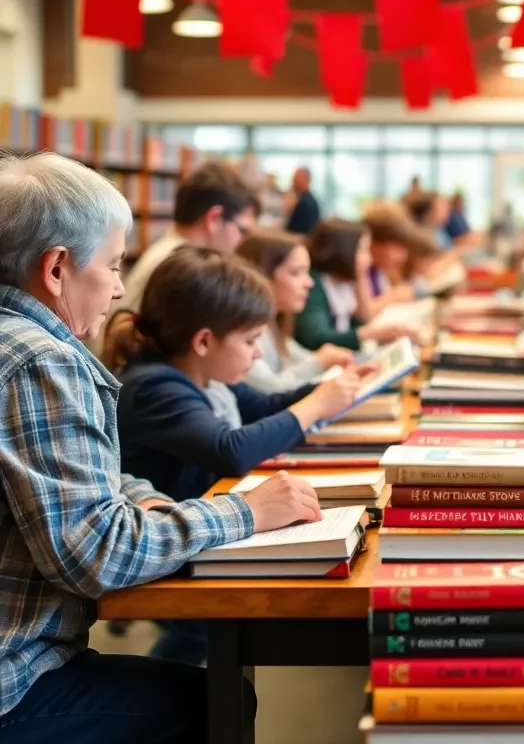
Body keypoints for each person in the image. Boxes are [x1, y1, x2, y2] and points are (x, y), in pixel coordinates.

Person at [0, 152, 319, 742]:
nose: (121, 288)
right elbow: (96, 555)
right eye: (115, 265)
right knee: (210, 705)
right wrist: (246, 513)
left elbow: (95, 473)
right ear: (56, 269)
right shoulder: (40, 360)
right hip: (15, 679)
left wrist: (146, 500)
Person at [111, 247, 359, 665]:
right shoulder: (153, 386)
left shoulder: (204, 375)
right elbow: (231, 451)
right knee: (202, 634)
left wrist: (332, 390)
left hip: (204, 533)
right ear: (204, 341)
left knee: (205, 636)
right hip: (170, 546)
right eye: (250, 340)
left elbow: (266, 406)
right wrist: (316, 405)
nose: (259, 353)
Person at [117, 159, 259, 316]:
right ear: (214, 219)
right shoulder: (182, 267)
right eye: (243, 231)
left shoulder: (167, 253)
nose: (244, 241)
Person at [236, 229, 365, 392]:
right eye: (295, 273)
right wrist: (319, 362)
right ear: (261, 275)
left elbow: (302, 359)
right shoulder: (247, 331)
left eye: (307, 272)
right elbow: (270, 389)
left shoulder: (274, 325)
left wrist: (331, 359)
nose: (309, 283)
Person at [293, 217, 414, 352]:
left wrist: (360, 277)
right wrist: (371, 334)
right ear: (344, 250)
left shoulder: (343, 283)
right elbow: (317, 338)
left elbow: (361, 321)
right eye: (363, 250)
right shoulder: (314, 285)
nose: (370, 258)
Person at [284, 167, 320, 236]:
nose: (293, 182)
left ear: (307, 180)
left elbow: (297, 231)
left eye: (296, 179)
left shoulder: (307, 204)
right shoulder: (302, 200)